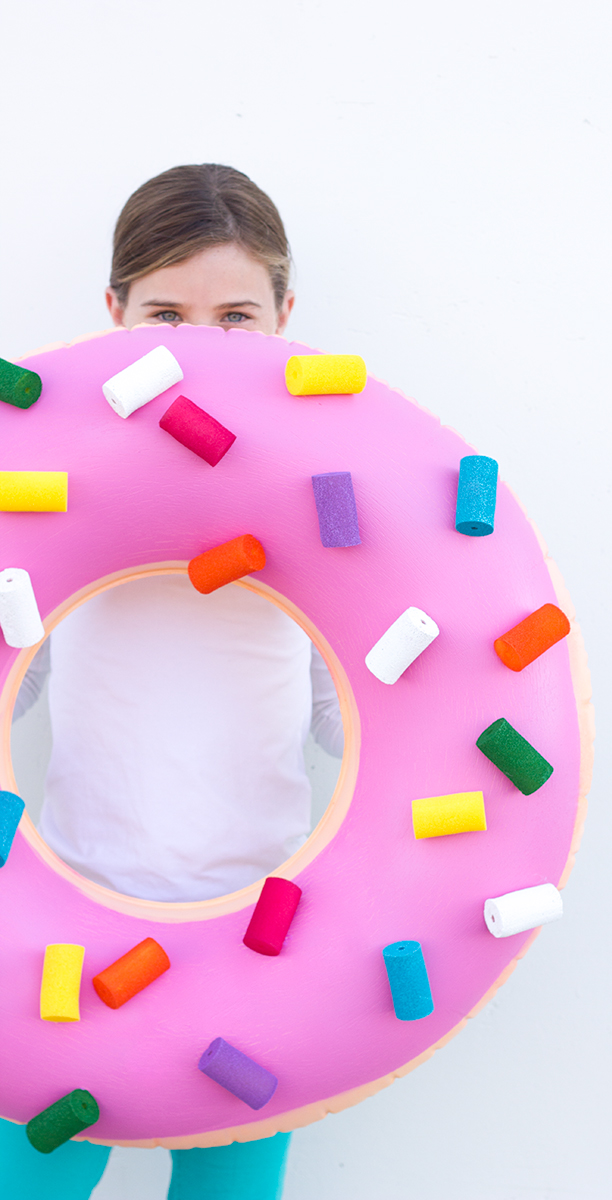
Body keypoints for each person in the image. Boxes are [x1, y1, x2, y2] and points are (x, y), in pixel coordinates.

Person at [3, 164, 343, 1199]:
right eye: (165, 312)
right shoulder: (55, 494)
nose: (201, 344)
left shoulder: (331, 502)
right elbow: (17, 681)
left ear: (287, 317)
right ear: (113, 314)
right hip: (68, 932)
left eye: (236, 315)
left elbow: (365, 720)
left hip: (256, 947)